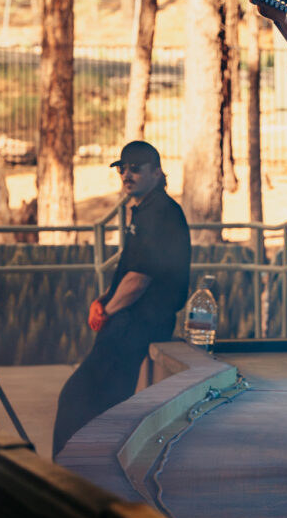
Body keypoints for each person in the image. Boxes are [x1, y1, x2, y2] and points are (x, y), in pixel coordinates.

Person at [52, 140, 191, 458]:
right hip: (132, 320)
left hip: (138, 323)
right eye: (122, 169)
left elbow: (139, 279)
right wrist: (104, 300)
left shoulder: (159, 213)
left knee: (78, 398)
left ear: (156, 172)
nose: (127, 174)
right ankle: (84, 470)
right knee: (100, 402)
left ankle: (67, 474)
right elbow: (130, 269)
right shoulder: (146, 210)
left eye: (136, 168)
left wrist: (107, 312)